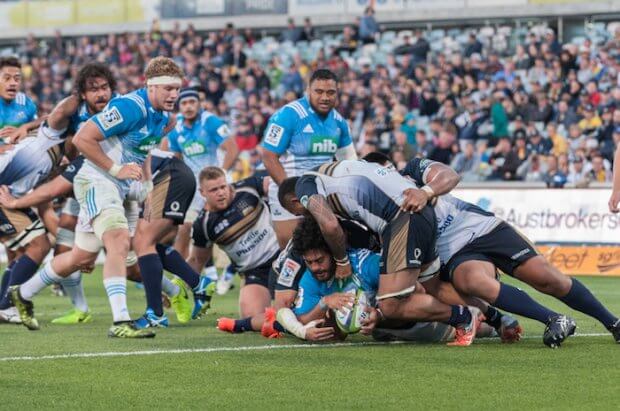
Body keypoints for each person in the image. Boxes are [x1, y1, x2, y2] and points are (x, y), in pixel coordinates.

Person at [11, 57, 184, 338]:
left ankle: (23, 292)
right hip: (96, 181)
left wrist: (148, 188)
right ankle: (120, 321)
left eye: (177, 88)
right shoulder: (130, 107)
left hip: (119, 188)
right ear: (150, 86)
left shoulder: (165, 118)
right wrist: (116, 169)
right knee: (118, 241)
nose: (174, 95)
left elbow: (146, 150)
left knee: (80, 255)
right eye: (167, 88)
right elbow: (81, 139)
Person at [371, 153, 620, 347]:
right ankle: (554, 319)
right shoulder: (378, 209)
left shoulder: (414, 169)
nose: (387, 177)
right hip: (453, 254)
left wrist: (426, 192)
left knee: (547, 278)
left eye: (387, 170)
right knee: (475, 282)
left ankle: (613, 323)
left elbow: (450, 176)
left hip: (482, 226)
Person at [278, 160, 480, 347]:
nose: (316, 267)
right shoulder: (311, 276)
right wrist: (319, 310)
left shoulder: (363, 263)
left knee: (398, 303)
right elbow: (284, 314)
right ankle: (494, 318)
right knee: (429, 289)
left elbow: (416, 290)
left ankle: (469, 317)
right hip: (414, 222)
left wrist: (379, 313)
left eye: (319, 260)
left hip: (420, 319)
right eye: (310, 262)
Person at [261, 69, 357, 248]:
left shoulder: (340, 122)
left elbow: (350, 162)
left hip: (321, 193)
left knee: (326, 251)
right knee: (294, 251)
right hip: (290, 194)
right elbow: (268, 156)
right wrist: (291, 192)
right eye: (318, 91)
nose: (325, 97)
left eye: (330, 92)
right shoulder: (288, 115)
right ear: (308, 90)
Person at [187, 167, 279, 333]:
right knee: (251, 318)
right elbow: (196, 260)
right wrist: (178, 289)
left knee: (296, 308)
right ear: (202, 193)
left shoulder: (249, 187)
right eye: (214, 190)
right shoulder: (204, 224)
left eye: (223, 187)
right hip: (254, 272)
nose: (221, 193)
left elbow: (281, 186)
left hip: (281, 259)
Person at [165, 88, 238, 261]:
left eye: (192, 102)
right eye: (184, 103)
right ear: (179, 106)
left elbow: (232, 149)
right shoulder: (176, 128)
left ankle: (229, 272)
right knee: (184, 229)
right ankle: (180, 275)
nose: (188, 106)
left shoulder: (210, 121)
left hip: (215, 185)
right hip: (193, 186)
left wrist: (222, 175)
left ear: (200, 104)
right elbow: (176, 160)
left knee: (225, 229)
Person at [0, 56, 41, 145]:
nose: (13, 83)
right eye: (7, 78)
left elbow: (39, 134)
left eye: (17, 79)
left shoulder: (26, 103)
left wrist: (23, 133)